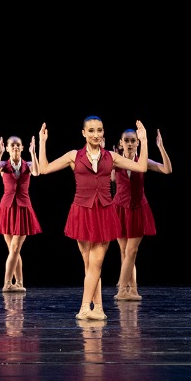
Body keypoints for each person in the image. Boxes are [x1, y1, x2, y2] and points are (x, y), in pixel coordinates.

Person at [34, 116, 149, 321]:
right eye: (92, 131)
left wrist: (145, 139)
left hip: (104, 212)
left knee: (96, 262)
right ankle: (99, 308)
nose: (96, 134)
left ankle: (85, 307)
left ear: (103, 132)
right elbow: (44, 169)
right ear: (84, 133)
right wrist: (43, 143)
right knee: (88, 264)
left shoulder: (111, 157)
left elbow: (141, 167)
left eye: (100, 130)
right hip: (81, 211)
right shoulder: (73, 156)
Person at [111, 127, 171, 301]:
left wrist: (160, 147)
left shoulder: (142, 161)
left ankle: (123, 289)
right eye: (126, 140)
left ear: (137, 143)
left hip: (138, 208)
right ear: (121, 144)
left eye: (132, 140)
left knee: (132, 250)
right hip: (120, 209)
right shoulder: (116, 162)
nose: (129, 143)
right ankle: (133, 290)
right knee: (124, 252)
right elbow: (107, 177)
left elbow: (167, 169)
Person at [0, 134, 42, 291]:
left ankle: (7, 283)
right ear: (7, 148)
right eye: (12, 145)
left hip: (23, 208)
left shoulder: (28, 164)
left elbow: (37, 173)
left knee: (14, 249)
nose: (15, 147)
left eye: (17, 145)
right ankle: (18, 283)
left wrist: (34, 153)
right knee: (13, 250)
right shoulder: (3, 164)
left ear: (22, 147)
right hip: (7, 208)